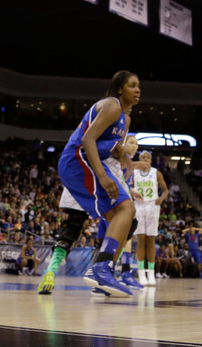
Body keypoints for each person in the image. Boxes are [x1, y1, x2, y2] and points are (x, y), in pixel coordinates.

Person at [56, 71, 139, 297]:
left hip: (85, 162)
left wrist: (124, 156)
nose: (138, 90)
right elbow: (87, 139)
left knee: (125, 222)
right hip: (77, 161)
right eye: (132, 86)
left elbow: (107, 147)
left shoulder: (123, 117)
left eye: (138, 86)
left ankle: (102, 273)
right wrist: (102, 176)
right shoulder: (112, 106)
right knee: (126, 209)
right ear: (120, 89)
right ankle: (101, 269)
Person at [131, 150, 168, 286]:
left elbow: (165, 190)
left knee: (151, 240)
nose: (145, 159)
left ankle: (151, 273)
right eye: (142, 157)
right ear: (139, 160)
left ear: (151, 161)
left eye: (148, 157)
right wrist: (132, 190)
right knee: (141, 240)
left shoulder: (156, 173)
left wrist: (161, 199)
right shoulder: (134, 172)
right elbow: (126, 185)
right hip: (139, 205)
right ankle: (141, 273)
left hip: (152, 205)